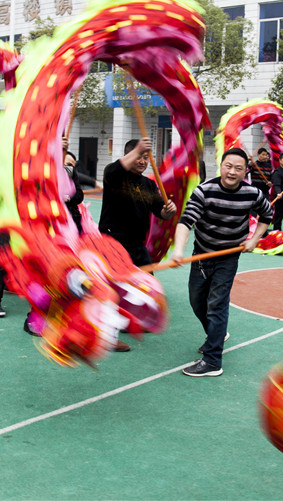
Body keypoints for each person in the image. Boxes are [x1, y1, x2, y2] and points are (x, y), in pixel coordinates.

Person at [171, 147, 273, 377]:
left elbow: (267, 215)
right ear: (221, 166)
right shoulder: (204, 191)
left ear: (245, 171)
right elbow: (186, 222)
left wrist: (255, 239)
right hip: (202, 254)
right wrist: (178, 250)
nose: (232, 172)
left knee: (216, 304)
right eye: (228, 166)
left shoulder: (252, 193)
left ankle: (212, 361)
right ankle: (216, 333)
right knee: (197, 301)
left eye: (238, 168)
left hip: (228, 257)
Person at [99, 137, 177, 266]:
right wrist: (138, 150)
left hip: (137, 245)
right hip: (113, 243)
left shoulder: (149, 184)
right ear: (128, 156)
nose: (142, 162)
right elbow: (112, 171)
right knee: (118, 284)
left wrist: (168, 211)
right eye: (138, 157)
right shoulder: (115, 176)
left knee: (147, 282)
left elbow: (160, 211)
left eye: (146, 158)